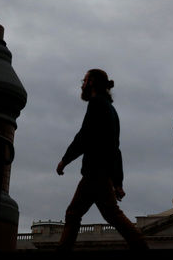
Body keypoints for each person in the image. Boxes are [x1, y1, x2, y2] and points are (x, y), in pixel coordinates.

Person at [55, 69, 148, 251]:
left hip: (94, 173)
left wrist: (64, 160)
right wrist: (117, 182)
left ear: (91, 83)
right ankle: (141, 247)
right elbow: (115, 149)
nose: (81, 84)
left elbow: (83, 137)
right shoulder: (111, 110)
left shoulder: (96, 104)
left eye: (84, 80)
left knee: (76, 214)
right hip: (102, 174)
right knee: (107, 215)